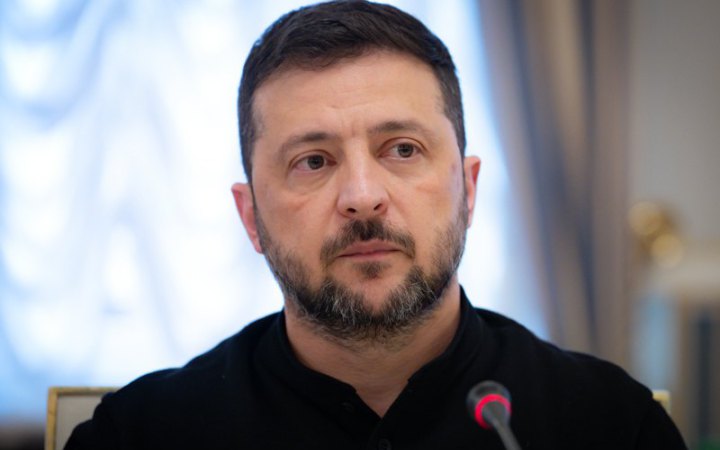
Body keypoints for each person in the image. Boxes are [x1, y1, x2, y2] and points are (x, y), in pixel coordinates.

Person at [66, 1, 687, 449]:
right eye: (313, 161)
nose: (362, 198)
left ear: (468, 190)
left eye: (403, 150)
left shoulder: (611, 426)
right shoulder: (140, 435)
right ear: (251, 217)